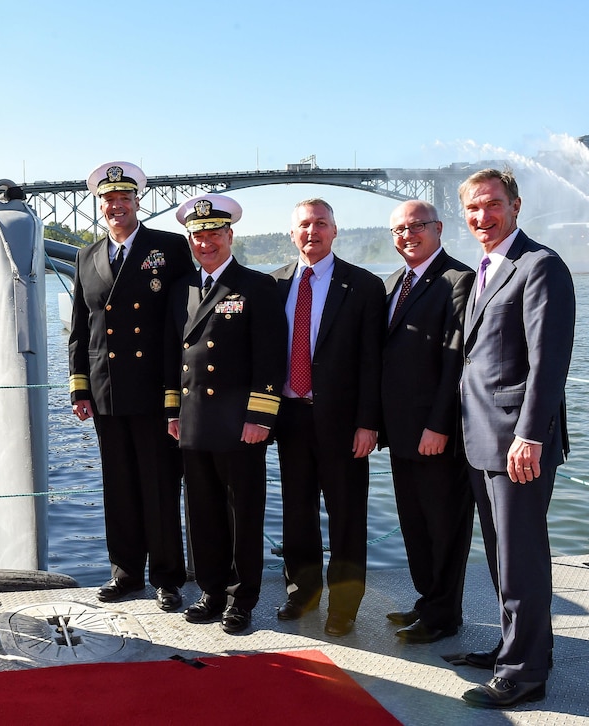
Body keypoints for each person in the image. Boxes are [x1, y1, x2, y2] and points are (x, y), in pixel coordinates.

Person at [456, 169, 575, 709]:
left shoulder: (540, 266)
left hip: (516, 443)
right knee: (504, 554)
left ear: (517, 205)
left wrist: (530, 436)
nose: (483, 216)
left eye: (493, 205)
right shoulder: (487, 268)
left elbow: (548, 363)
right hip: (484, 438)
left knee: (522, 555)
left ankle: (524, 673)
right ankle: (518, 646)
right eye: (474, 208)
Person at [68, 161, 190, 612]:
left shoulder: (170, 248)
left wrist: (178, 389)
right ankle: (125, 573)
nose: (116, 207)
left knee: (160, 485)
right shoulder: (87, 256)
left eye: (124, 199)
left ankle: (166, 577)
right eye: (108, 200)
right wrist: (80, 388)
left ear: (138, 202)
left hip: (157, 390)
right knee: (117, 486)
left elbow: (184, 322)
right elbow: (81, 327)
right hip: (107, 390)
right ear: (100, 206)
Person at [165, 194, 286, 633]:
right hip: (194, 422)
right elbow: (170, 357)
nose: (206, 242)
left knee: (243, 515)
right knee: (203, 513)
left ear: (230, 235)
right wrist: (171, 412)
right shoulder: (183, 289)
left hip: (240, 425)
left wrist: (261, 417)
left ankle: (241, 599)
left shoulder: (255, 286)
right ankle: (211, 592)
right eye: (198, 235)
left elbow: (271, 358)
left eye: (214, 233)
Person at [269, 198, 384, 637]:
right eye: (304, 225)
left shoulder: (364, 286)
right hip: (290, 419)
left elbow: (372, 362)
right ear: (292, 233)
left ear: (335, 231)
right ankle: (302, 594)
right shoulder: (273, 285)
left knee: (347, 515)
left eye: (321, 224)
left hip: (343, 423)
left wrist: (368, 423)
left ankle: (344, 606)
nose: (312, 231)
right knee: (296, 514)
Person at [380, 201, 475, 645]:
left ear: (438, 228)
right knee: (415, 524)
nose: (407, 235)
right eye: (399, 229)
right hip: (400, 433)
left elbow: (456, 359)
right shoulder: (394, 282)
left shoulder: (459, 280)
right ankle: (426, 602)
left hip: (436, 434)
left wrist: (440, 425)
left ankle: (443, 616)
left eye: (417, 226)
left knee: (444, 526)